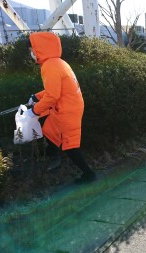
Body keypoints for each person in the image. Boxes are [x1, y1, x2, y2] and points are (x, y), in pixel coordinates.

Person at [25, 32, 97, 184]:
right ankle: (51, 155)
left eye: (31, 50)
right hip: (69, 105)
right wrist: (36, 97)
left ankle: (89, 174)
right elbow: (57, 89)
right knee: (50, 130)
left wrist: (34, 111)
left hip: (66, 109)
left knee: (69, 145)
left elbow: (52, 96)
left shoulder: (50, 66)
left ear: (39, 49)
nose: (30, 53)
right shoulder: (58, 62)